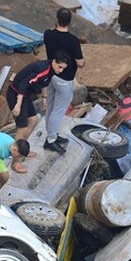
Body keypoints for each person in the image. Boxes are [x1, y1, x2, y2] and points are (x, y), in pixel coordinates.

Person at [5, 50, 69, 173]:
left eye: (63, 69)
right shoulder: (42, 68)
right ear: (54, 61)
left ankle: (23, 149)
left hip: (26, 96)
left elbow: (45, 83)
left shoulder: (51, 70)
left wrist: (44, 98)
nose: (61, 70)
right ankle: (16, 161)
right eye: (60, 67)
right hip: (16, 94)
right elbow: (24, 84)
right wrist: (18, 105)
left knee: (33, 120)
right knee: (21, 128)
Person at [43, 8, 85, 154]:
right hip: (64, 79)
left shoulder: (48, 34)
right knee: (58, 110)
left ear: (56, 19)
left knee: (50, 106)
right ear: (70, 22)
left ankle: (50, 133)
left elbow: (52, 35)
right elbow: (80, 63)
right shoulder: (73, 41)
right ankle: (51, 140)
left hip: (50, 75)